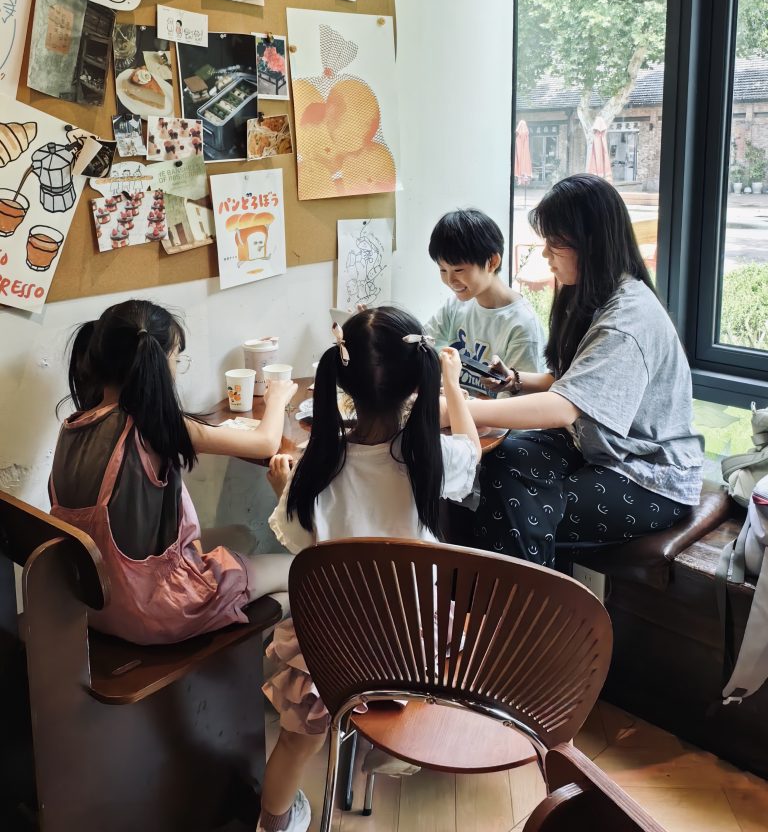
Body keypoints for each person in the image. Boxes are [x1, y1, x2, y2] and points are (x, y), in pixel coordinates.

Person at [256, 307, 480, 832]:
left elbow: (302, 544)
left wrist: (283, 490)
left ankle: (273, 822)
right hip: (411, 650)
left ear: (342, 384)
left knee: (295, 742)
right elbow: (473, 450)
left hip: (331, 651)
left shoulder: (315, 468)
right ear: (417, 383)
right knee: (455, 629)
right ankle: (395, 738)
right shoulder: (430, 460)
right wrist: (453, 386)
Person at [448, 175, 703, 567]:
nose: (545, 254)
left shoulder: (627, 319)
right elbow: (573, 382)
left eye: (554, 244)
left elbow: (563, 406)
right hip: (596, 445)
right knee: (492, 467)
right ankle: (510, 599)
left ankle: (517, 605)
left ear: (591, 244)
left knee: (510, 507)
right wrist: (516, 380)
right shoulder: (590, 293)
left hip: (649, 471)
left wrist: (458, 408)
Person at [50, 299, 298, 645]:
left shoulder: (72, 427)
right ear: (158, 360)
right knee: (299, 571)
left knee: (240, 535)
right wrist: (277, 398)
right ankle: (261, 664)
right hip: (157, 611)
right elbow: (265, 442)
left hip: (98, 605)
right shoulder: (153, 426)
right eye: (176, 357)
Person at [425, 208, 545, 396]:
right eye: (442, 270)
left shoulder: (522, 324)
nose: (450, 280)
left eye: (458, 270)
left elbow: (517, 406)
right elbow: (424, 346)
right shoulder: (455, 306)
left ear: (492, 262)